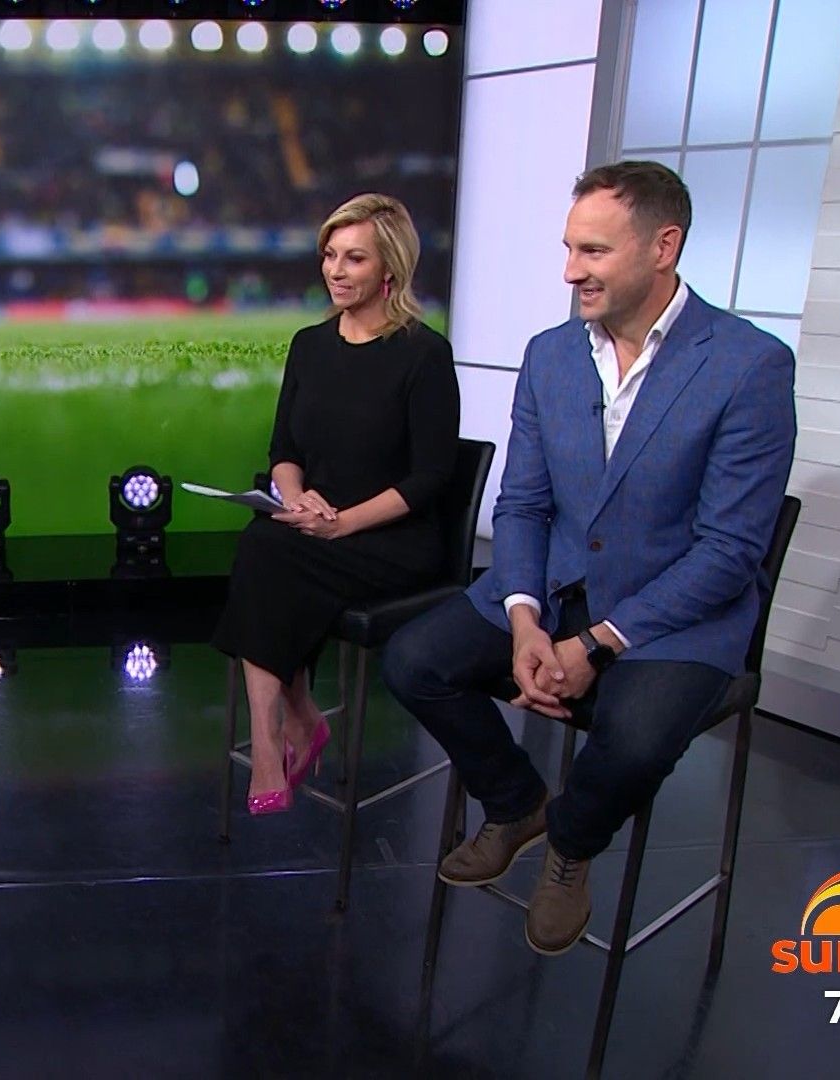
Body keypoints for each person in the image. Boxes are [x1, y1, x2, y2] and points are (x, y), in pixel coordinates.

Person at [380, 161, 796, 954]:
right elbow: (524, 505)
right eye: (569, 249)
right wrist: (525, 620)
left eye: (594, 251)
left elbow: (730, 550)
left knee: (635, 741)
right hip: (554, 585)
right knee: (414, 660)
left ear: (663, 247)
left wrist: (597, 644)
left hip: (674, 611)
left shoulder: (749, 366)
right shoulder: (551, 355)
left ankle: (570, 843)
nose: (571, 272)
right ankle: (517, 804)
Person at [212, 193, 462, 815]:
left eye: (354, 258)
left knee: (265, 552)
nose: (335, 270)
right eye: (329, 255)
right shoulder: (309, 345)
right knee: (268, 542)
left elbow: (431, 477)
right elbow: (284, 451)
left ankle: (281, 735)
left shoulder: (424, 354)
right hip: (313, 527)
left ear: (390, 268)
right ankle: (289, 722)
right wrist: (296, 498)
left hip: (392, 538)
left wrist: (343, 523)